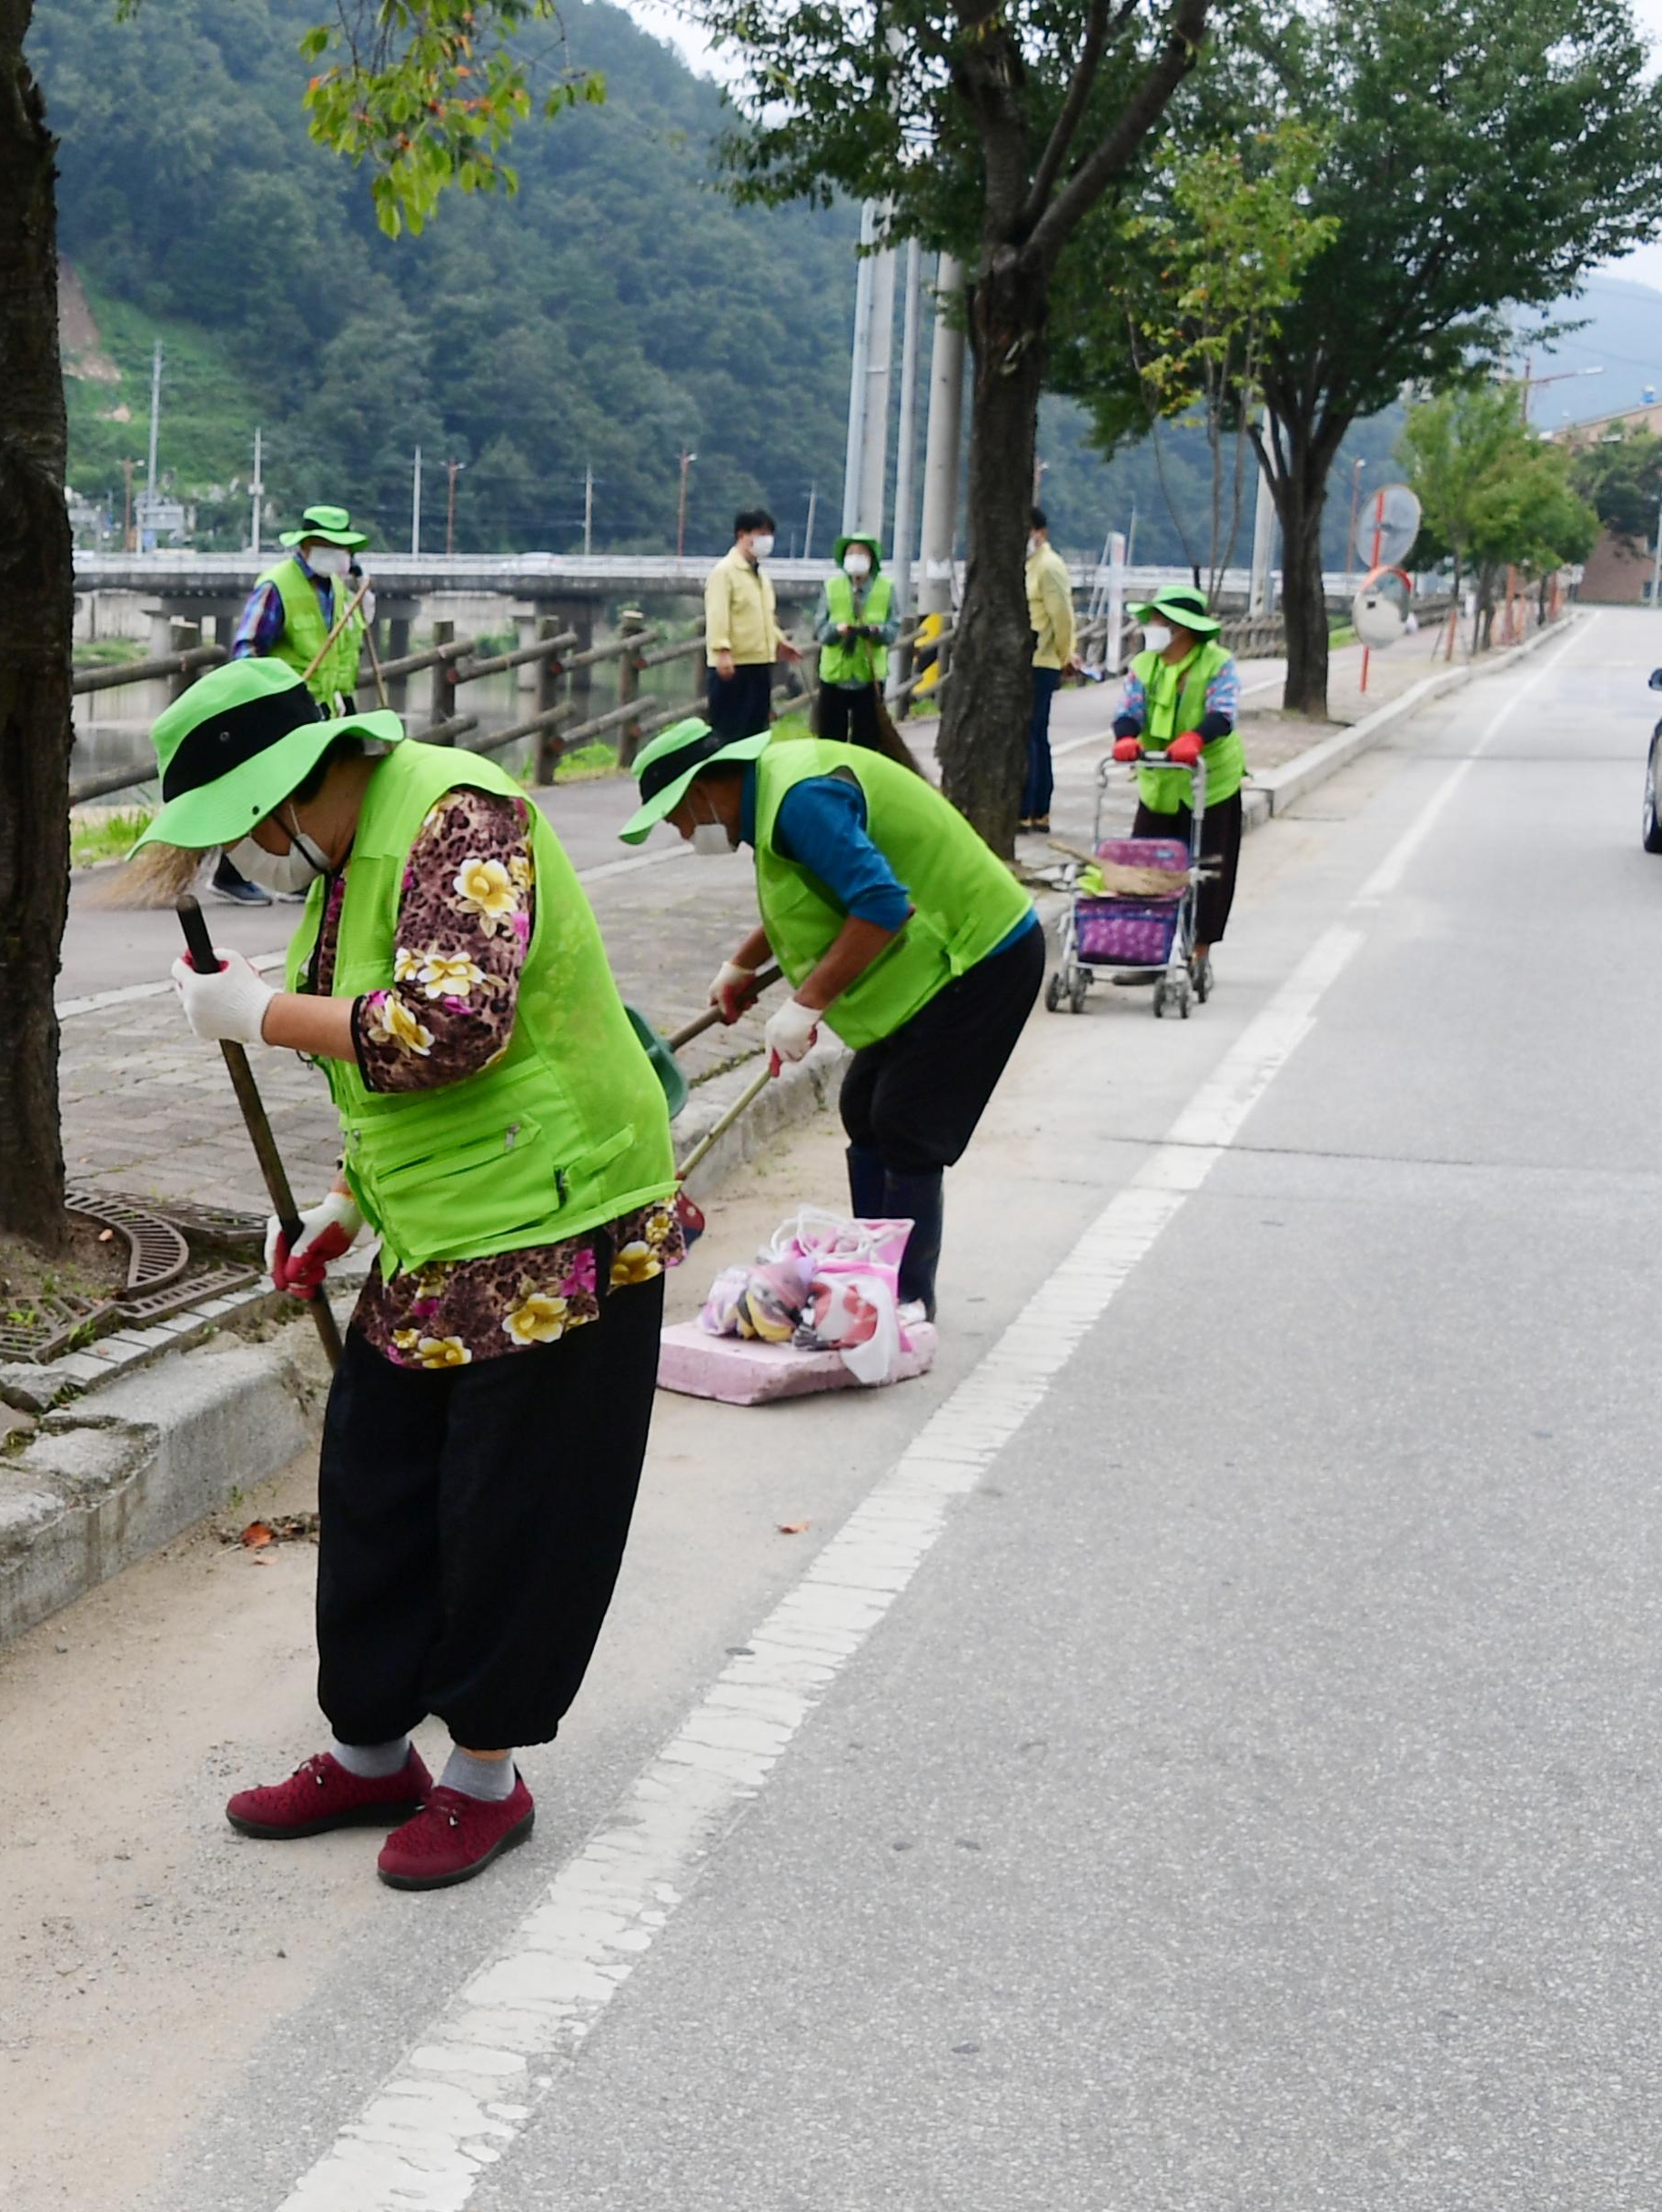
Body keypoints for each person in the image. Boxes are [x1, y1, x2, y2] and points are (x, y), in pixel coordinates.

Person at [143, 655, 695, 1892]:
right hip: (438, 1230)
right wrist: (344, 1209)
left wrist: (262, 1014)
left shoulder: (461, 815)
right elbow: (374, 1076)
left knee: (512, 1510)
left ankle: (484, 1778)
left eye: (239, 832)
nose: (242, 859)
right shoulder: (339, 875)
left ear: (288, 792)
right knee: (379, 1485)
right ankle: (372, 1750)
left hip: (562, 1221)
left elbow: (450, 1024)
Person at [620, 713, 1043, 1320]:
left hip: (981, 953)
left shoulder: (800, 800)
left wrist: (804, 1005)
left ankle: (903, 1305)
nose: (684, 833)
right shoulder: (771, 800)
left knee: (906, 1122)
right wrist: (742, 966)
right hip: (936, 966)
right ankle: (870, 1278)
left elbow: (880, 902)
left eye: (677, 817)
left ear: (706, 788)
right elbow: (821, 889)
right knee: (863, 1110)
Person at [214, 504, 376, 905]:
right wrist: (268, 697)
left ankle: (307, 875)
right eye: (330, 545)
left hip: (327, 706)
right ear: (307, 545)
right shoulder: (276, 586)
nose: (339, 554)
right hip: (287, 707)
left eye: (344, 547)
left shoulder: (334, 587)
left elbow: (344, 644)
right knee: (273, 792)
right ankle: (230, 874)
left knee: (320, 790)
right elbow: (247, 649)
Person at [1111, 582, 1242, 980]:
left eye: (1157, 619)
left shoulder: (1217, 662)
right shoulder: (1144, 665)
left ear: (1180, 627)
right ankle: (1145, 951)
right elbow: (1128, 708)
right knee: (1146, 865)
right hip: (1160, 778)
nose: (1150, 625)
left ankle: (1198, 952)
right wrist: (1126, 737)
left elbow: (1223, 711)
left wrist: (1195, 737)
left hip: (1210, 779)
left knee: (1208, 866)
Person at [704, 507, 798, 742]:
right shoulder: (724, 572)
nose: (765, 540)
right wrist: (722, 651)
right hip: (735, 664)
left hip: (759, 662)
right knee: (730, 730)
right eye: (759, 533)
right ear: (741, 535)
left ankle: (749, 777)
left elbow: (764, 616)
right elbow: (718, 615)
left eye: (768, 534)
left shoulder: (761, 575)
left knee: (756, 730)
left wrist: (779, 641)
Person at [1022, 506, 1087, 832]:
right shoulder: (1030, 566)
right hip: (1025, 661)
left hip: (1041, 661)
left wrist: (1066, 655)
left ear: (1040, 532)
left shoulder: (1048, 566)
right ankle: (1030, 808)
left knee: (1032, 735)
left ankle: (1033, 807)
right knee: (1029, 735)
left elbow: (1061, 615)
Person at [811, 531, 892, 752]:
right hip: (835, 675)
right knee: (830, 739)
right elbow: (820, 630)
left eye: (861, 553)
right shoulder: (831, 587)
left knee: (867, 740)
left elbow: (892, 631)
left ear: (872, 559)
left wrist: (876, 631)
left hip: (869, 676)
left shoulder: (885, 589)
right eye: (851, 553)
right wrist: (837, 630)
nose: (855, 557)